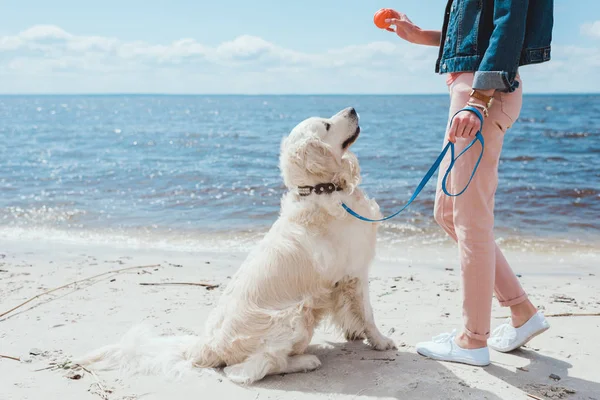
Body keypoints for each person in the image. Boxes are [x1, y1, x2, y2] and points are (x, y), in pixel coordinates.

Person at [386, 1, 554, 366]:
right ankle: (522, 312)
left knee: (469, 219)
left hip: (483, 95)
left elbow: (509, 26)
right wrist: (421, 36)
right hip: (473, 90)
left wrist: (478, 100)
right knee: (448, 212)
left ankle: (472, 340)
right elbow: (477, 34)